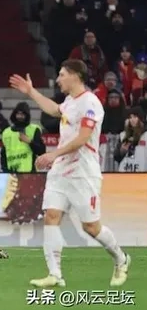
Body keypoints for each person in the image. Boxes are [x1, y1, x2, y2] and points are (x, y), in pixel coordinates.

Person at [9, 59, 130, 288]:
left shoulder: (91, 103)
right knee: (51, 216)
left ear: (75, 75)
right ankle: (55, 274)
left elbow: (83, 138)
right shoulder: (70, 101)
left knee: (91, 227)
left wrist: (53, 154)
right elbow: (54, 109)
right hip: (61, 171)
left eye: (62, 75)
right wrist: (31, 92)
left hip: (84, 173)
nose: (58, 79)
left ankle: (121, 258)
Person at [0, 102, 46, 172]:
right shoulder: (6, 132)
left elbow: (42, 151)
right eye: (18, 114)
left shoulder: (34, 129)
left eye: (22, 114)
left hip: (29, 172)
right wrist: (5, 171)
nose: (19, 116)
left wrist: (30, 142)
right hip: (11, 173)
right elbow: (3, 154)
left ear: (27, 115)